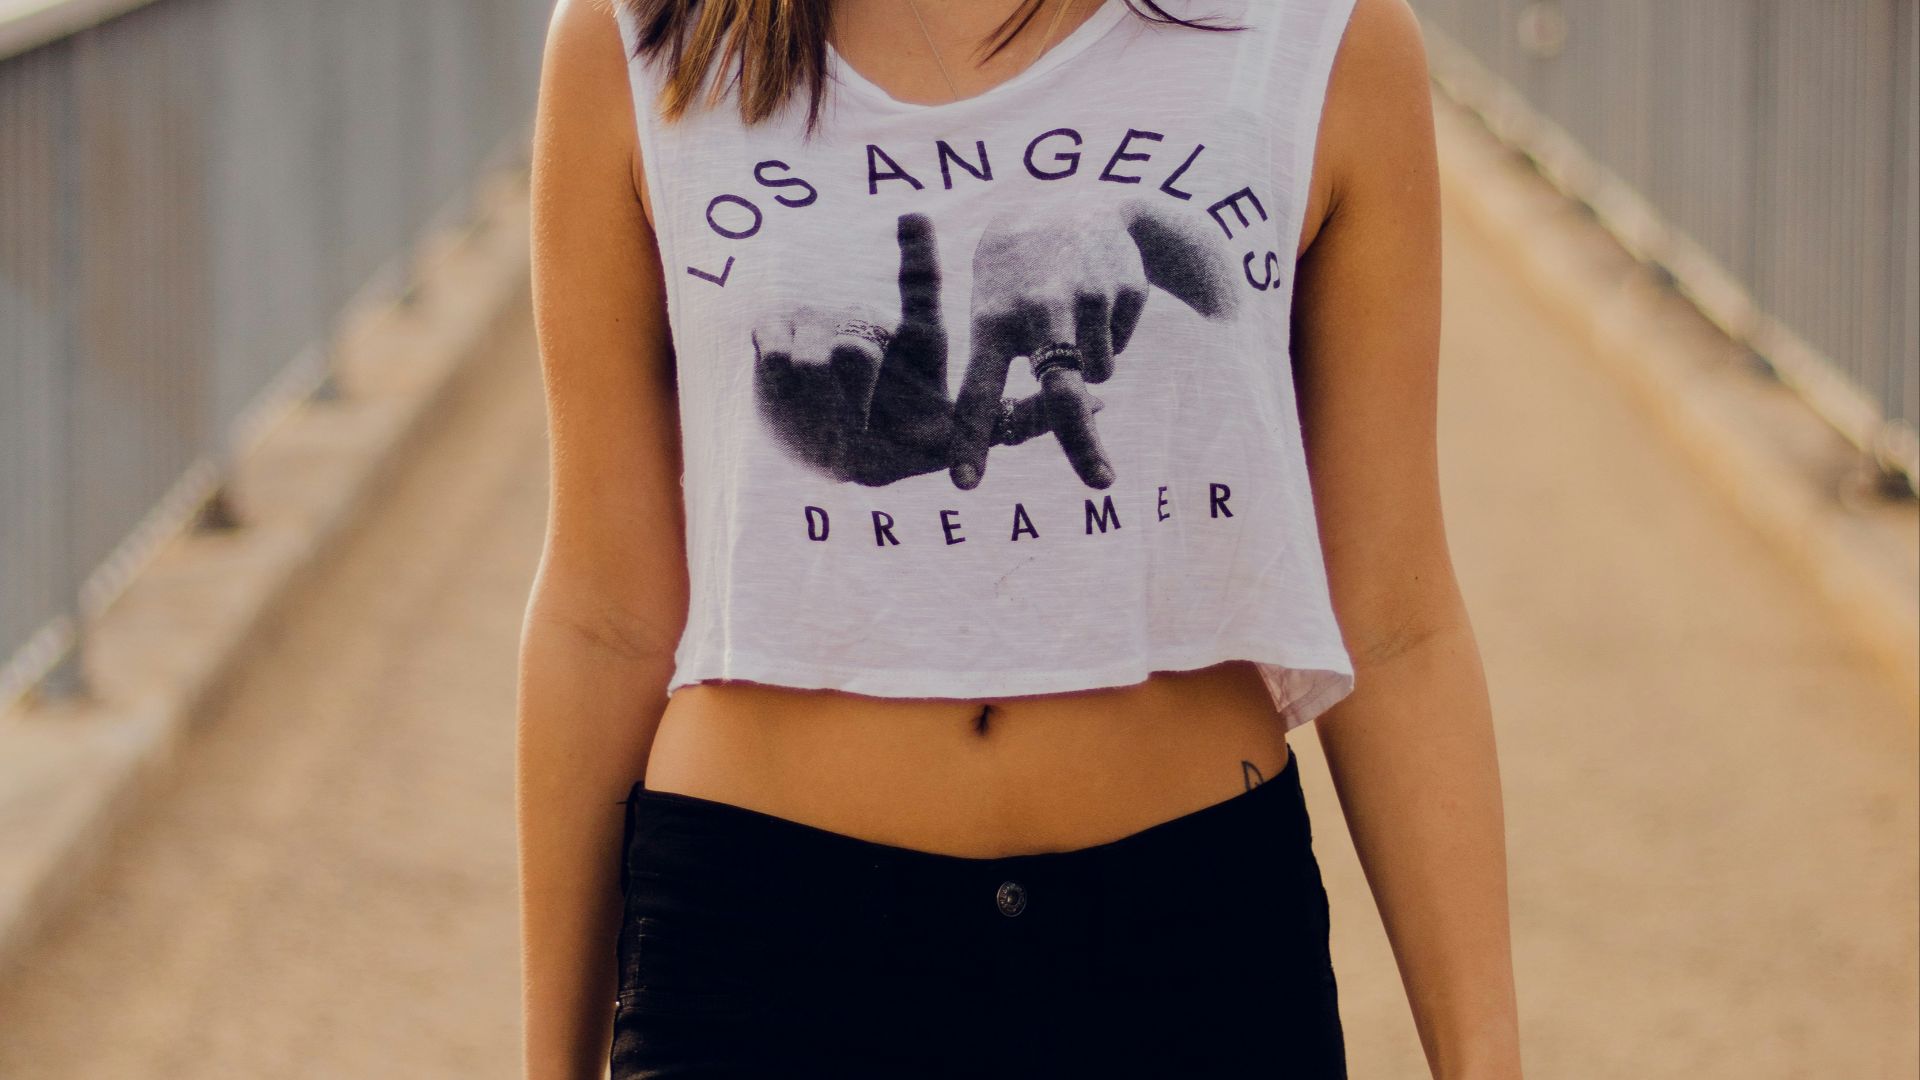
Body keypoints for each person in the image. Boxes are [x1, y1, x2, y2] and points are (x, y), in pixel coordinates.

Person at [518, 0, 1522, 1076]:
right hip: (762, 947)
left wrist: (1484, 1062)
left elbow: (1397, 620)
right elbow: (605, 613)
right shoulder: (647, 38)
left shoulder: (1319, 37)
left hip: (1186, 954)